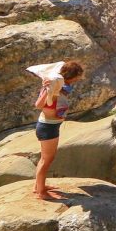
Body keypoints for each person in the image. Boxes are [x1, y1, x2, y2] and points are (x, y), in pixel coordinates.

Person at [32, 60, 84, 200]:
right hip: (47, 128)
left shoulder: (60, 86)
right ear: (70, 76)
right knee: (47, 159)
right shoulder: (52, 86)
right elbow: (38, 105)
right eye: (76, 78)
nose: (77, 81)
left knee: (45, 158)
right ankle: (41, 192)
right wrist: (46, 89)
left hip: (51, 126)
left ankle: (38, 186)